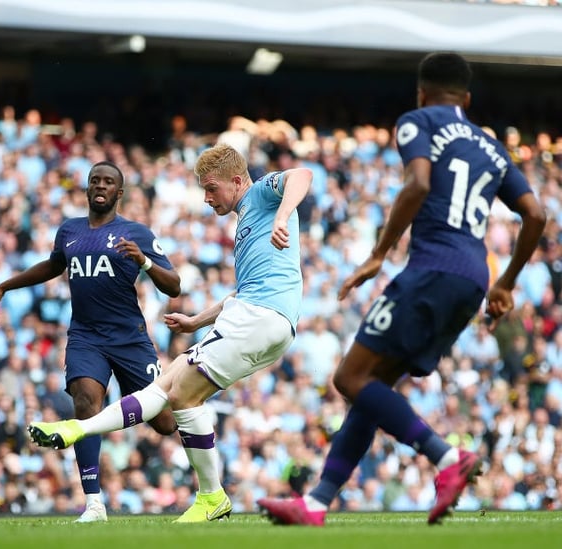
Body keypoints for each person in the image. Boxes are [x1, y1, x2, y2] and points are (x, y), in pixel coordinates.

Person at [258, 52, 545, 526]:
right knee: (373, 386)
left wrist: (379, 253)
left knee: (349, 379)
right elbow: (535, 215)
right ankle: (317, 502)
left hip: (431, 269)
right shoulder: (492, 147)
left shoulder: (417, 122)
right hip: (473, 277)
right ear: (467, 98)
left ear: (421, 92)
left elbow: (417, 183)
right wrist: (507, 281)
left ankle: (445, 456)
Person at [27, 145, 313, 522]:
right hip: (260, 316)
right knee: (172, 387)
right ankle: (79, 430)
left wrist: (284, 214)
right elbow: (244, 293)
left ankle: (209, 495)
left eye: (212, 189)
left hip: (259, 317)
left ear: (238, 182)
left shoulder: (260, 194)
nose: (207, 198)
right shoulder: (246, 223)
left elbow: (302, 175)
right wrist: (197, 321)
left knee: (181, 393)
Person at [0, 161, 182, 522]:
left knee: (165, 423)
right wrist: (4, 285)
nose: (100, 186)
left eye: (108, 182)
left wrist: (146, 264)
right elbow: (53, 265)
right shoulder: (69, 231)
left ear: (119, 193)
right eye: (95, 180)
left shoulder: (136, 232)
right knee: (85, 403)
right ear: (87, 188)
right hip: (85, 336)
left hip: (129, 339)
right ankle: (94, 503)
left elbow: (174, 285)